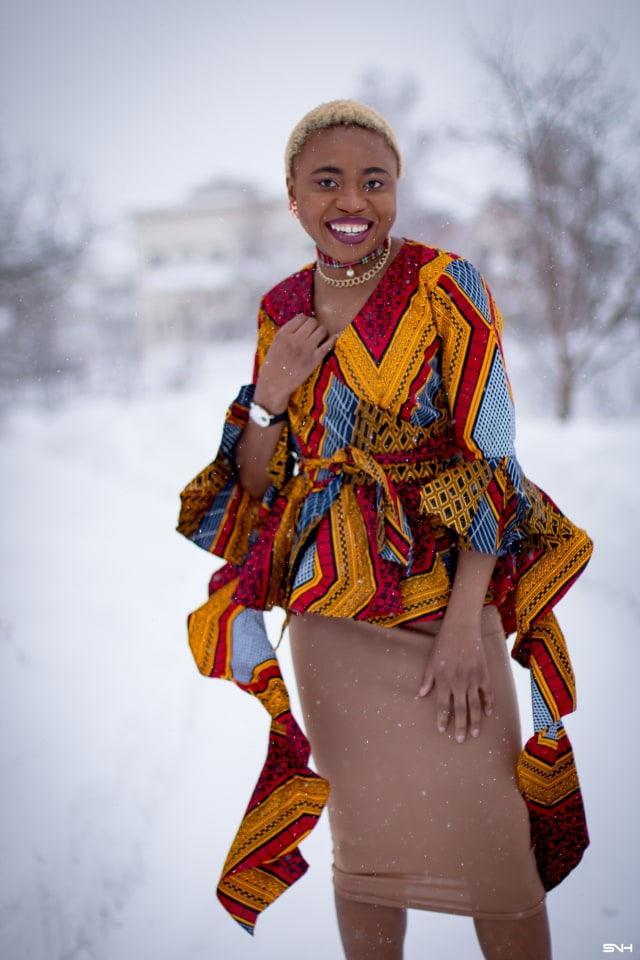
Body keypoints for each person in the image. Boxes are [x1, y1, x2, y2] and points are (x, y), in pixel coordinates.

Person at [177, 100, 593, 960]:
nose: (351, 198)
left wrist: (467, 632)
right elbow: (260, 481)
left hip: (446, 599)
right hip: (331, 618)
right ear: (293, 197)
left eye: (374, 179)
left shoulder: (450, 284)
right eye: (326, 180)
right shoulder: (280, 308)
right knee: (363, 852)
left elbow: (494, 460)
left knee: (496, 852)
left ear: (396, 189)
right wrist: (273, 392)